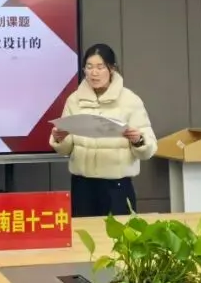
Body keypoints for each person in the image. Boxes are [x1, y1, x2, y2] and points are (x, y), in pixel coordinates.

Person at [50, 43, 158, 217]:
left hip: (117, 187)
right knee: (84, 233)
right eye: (89, 67)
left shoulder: (130, 100)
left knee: (119, 233)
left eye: (100, 67)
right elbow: (66, 149)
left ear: (112, 69)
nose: (94, 73)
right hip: (83, 186)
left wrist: (138, 140)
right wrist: (60, 138)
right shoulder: (74, 100)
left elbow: (149, 149)